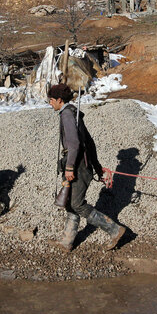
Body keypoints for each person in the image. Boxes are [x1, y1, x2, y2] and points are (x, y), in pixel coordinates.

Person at [47, 84, 126, 252]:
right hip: (82, 164)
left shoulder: (67, 115)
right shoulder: (74, 114)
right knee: (70, 202)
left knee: (77, 204)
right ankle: (67, 242)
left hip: (77, 167)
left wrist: (69, 168)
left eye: (51, 100)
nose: (50, 104)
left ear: (59, 100)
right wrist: (97, 167)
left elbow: (74, 144)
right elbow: (89, 143)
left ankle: (115, 230)